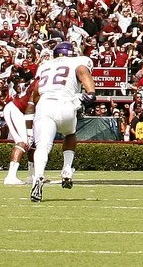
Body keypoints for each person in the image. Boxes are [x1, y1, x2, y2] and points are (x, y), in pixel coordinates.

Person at [27, 41, 96, 202]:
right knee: (70, 134)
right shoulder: (78, 61)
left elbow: (36, 92)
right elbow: (82, 71)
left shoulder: (45, 65)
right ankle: (66, 169)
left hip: (45, 104)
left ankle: (38, 177)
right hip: (66, 104)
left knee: (43, 147)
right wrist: (91, 92)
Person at [2, 72, 33, 185]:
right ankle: (10, 176)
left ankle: (32, 176)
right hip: (16, 109)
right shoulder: (35, 84)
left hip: (26, 113)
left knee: (33, 144)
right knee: (22, 142)